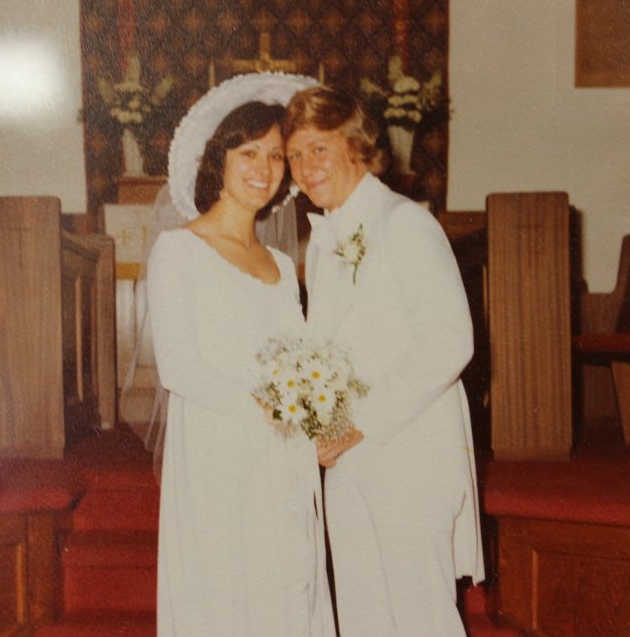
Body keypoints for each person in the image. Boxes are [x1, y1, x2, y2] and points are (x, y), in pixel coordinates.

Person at [284, 85, 485, 636]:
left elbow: (449, 339)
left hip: (407, 452)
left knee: (421, 617)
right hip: (350, 459)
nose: (305, 167)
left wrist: (358, 421)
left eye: (318, 148)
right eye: (295, 155)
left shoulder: (403, 222)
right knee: (364, 615)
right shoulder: (324, 239)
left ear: (356, 146)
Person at [146, 74, 335, 636]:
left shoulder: (280, 265)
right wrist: (274, 412)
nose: (264, 167)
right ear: (219, 159)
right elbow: (179, 367)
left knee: (285, 586)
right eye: (248, 152)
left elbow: (301, 361)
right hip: (220, 450)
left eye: (276, 156)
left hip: (283, 456)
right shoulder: (180, 250)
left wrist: (317, 420)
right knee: (228, 593)